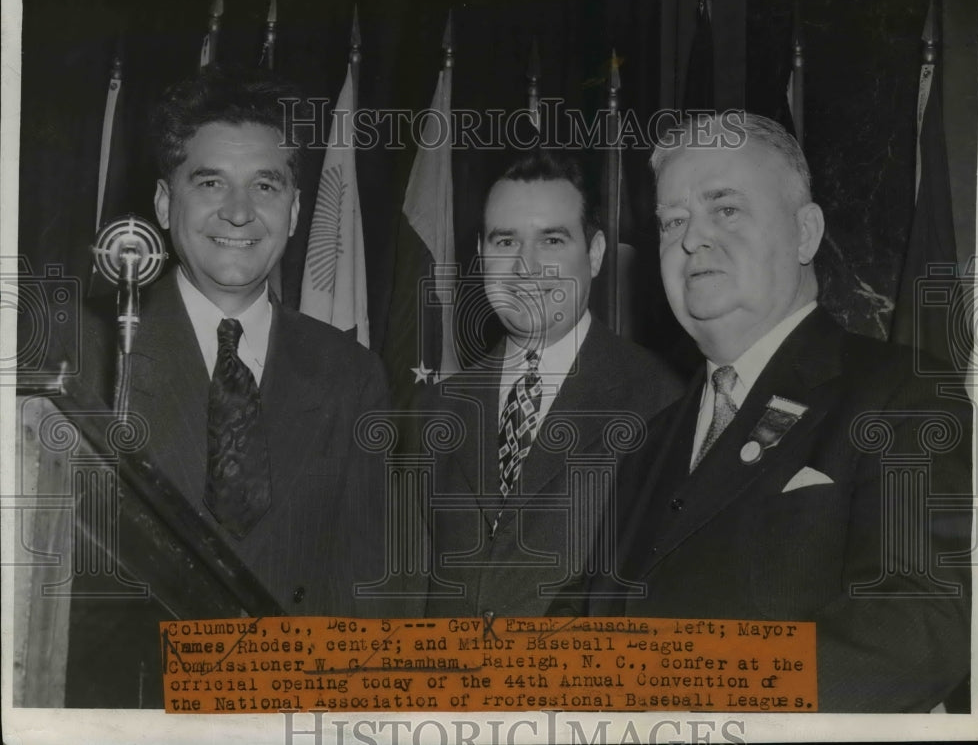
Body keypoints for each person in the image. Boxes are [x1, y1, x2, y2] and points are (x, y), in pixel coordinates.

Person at [575, 113, 971, 713]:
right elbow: (584, 624)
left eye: (725, 209)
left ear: (805, 232)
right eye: (672, 221)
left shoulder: (901, 394)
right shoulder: (651, 441)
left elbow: (917, 628)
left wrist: (688, 697)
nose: (690, 239)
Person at [49, 66, 390, 704]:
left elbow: (368, 591)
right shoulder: (88, 354)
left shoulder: (351, 375)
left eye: (265, 185)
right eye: (210, 182)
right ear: (161, 202)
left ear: (294, 211)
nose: (238, 211)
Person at [422, 150, 682, 618]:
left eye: (552, 241)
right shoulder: (438, 407)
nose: (527, 267)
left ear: (596, 253)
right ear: (481, 258)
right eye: (506, 242)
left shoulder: (660, 400)